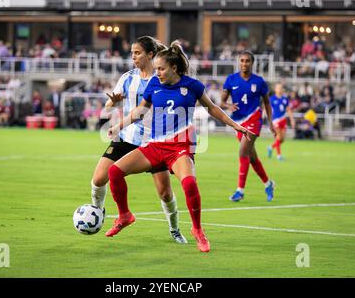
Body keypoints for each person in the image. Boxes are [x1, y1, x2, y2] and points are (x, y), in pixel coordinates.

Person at [105, 41, 251, 252]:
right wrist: (119, 126)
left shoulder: (192, 86)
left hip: (180, 146)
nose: (158, 73)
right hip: (154, 146)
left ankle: (197, 230)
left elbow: (213, 109)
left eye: (161, 69)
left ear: (174, 68)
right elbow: (140, 111)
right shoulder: (154, 83)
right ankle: (125, 215)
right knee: (114, 172)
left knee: (189, 183)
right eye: (156, 69)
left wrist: (236, 126)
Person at [90, 36, 188, 244]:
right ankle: (97, 213)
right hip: (126, 138)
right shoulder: (127, 78)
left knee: (164, 192)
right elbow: (108, 106)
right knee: (99, 178)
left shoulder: (162, 78)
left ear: (150, 55)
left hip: (153, 142)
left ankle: (175, 229)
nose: (133, 56)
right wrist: (113, 103)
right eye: (132, 53)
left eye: (137, 53)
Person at [220, 51, 276, 202]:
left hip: (254, 120)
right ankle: (268, 183)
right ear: (239, 62)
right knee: (252, 158)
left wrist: (270, 122)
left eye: (247, 61)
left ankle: (240, 190)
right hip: (238, 122)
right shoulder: (231, 79)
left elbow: (267, 103)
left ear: (252, 63)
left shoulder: (259, 81)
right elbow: (221, 102)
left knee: (243, 152)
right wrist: (229, 105)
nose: (244, 63)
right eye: (242, 60)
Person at [267, 83, 296, 161]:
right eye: (278, 88)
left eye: (281, 88)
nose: (280, 89)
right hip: (275, 120)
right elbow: (267, 109)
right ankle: (279, 156)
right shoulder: (272, 99)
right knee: (278, 137)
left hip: (283, 120)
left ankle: (270, 147)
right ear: (275, 89)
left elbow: (288, 110)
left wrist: (292, 120)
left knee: (282, 140)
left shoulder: (285, 99)